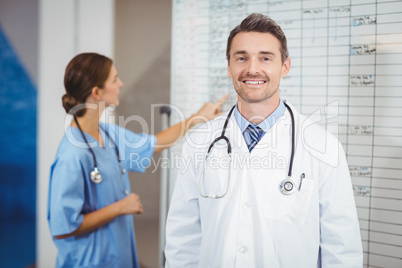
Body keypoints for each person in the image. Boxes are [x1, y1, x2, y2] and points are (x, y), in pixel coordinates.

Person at [165, 13, 363, 267]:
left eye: (265, 58)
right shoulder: (200, 141)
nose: (252, 69)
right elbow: (183, 237)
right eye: (241, 58)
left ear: (285, 66)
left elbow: (341, 247)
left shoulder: (323, 146)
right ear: (229, 67)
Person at [47, 52, 226, 268]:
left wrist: (198, 117)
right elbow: (64, 227)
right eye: (114, 79)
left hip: (118, 258)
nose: (120, 83)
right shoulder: (72, 155)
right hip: (87, 262)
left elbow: (156, 143)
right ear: (97, 92)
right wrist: (120, 207)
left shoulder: (108, 134)